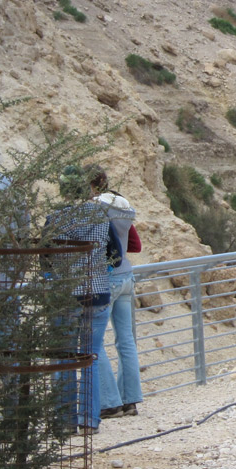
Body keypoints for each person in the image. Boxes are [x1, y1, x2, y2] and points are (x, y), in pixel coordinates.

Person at [48, 167, 113, 434]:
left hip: (66, 293)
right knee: (90, 357)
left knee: (64, 358)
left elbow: (46, 258)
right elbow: (114, 253)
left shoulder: (55, 217)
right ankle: (89, 421)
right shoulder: (101, 215)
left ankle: (65, 421)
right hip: (97, 291)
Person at [86, 166, 145, 419]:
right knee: (126, 339)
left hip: (105, 277)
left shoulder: (95, 207)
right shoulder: (123, 204)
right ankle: (130, 400)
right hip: (126, 276)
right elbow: (135, 244)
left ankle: (110, 402)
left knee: (94, 341)